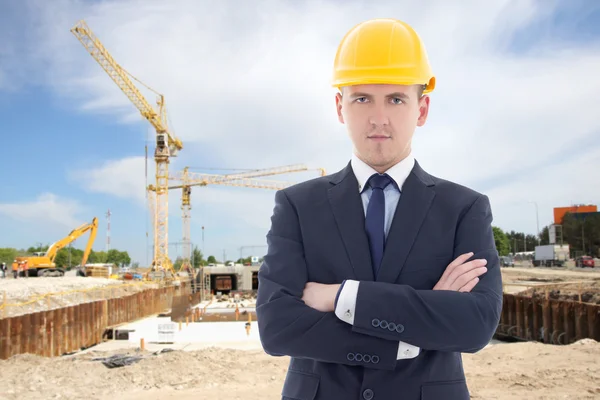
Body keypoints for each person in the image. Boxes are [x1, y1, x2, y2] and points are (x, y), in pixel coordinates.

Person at [255, 18, 503, 400]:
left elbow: (476, 325)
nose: (378, 118)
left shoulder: (464, 209)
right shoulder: (296, 206)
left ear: (421, 109)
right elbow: (277, 327)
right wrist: (416, 327)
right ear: (340, 107)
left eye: (396, 99)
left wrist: (341, 297)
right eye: (362, 98)